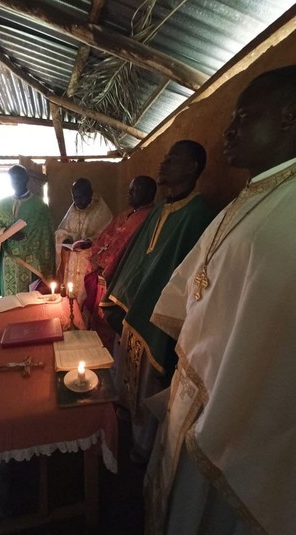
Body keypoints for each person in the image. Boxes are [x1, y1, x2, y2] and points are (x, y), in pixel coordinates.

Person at [145, 65, 296, 535]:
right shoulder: (251, 195)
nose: (229, 131)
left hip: (238, 408)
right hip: (198, 384)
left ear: (289, 116)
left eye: (245, 117)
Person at [100, 140, 215, 462]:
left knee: (150, 382)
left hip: (158, 319)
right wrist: (118, 297)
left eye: (173, 159)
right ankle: (124, 423)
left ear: (192, 167)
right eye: (164, 157)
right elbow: (136, 258)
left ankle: (144, 447)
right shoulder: (161, 209)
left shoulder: (200, 214)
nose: (163, 163)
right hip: (133, 308)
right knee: (126, 372)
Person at [83, 175, 157, 349]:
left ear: (149, 192)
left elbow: (128, 248)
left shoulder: (149, 218)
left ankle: (110, 358)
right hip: (104, 275)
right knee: (98, 320)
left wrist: (106, 266)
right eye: (130, 189)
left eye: (136, 189)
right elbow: (105, 238)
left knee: (111, 324)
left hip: (120, 280)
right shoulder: (125, 213)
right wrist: (97, 258)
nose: (130, 193)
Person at [0, 165, 55, 296]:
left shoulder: (40, 206)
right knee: (9, 303)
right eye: (13, 180)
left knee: (30, 303)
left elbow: (47, 237)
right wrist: (5, 232)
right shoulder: (2, 204)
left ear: (26, 179)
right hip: (7, 263)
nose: (16, 183)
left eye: (19, 179)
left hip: (31, 265)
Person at [55, 177, 113, 305]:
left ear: (90, 194)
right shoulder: (72, 210)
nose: (77, 201)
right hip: (71, 264)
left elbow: (108, 236)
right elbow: (60, 231)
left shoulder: (102, 212)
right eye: (74, 197)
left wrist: (91, 241)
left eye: (81, 197)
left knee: (86, 296)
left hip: (88, 264)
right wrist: (66, 238)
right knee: (70, 297)